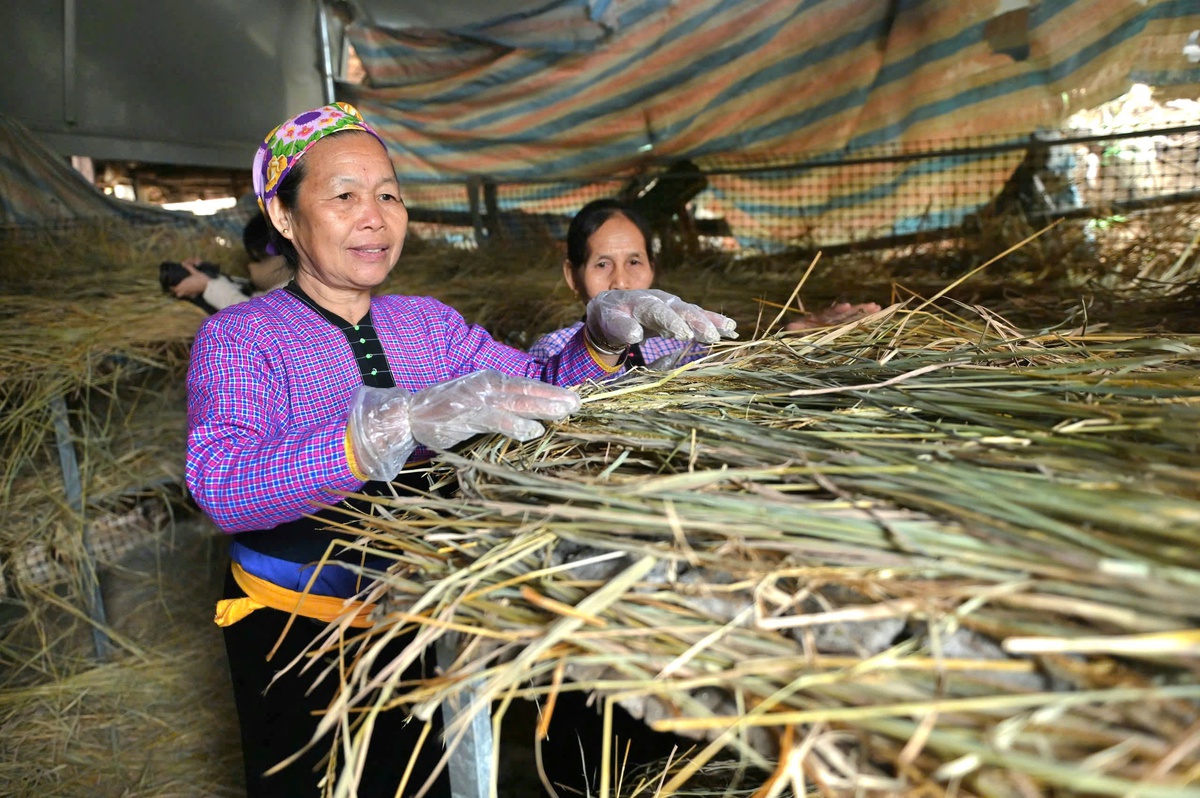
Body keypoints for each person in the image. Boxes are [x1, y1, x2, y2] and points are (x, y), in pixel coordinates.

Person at [184, 102, 737, 798]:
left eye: (389, 195)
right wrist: (386, 428)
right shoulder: (242, 336)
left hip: (422, 621)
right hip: (297, 636)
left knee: (425, 780)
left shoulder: (430, 326)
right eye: (345, 196)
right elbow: (221, 483)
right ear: (285, 217)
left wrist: (597, 341)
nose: (374, 217)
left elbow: (537, 389)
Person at [529, 199, 880, 369]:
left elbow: (737, 361)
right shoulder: (553, 350)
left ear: (653, 268)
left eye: (634, 262)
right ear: (572, 277)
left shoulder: (681, 341)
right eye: (602, 264)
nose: (620, 280)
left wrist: (790, 337)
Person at [170, 214, 291, 311]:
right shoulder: (287, 287)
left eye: (256, 260)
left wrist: (207, 285)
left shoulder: (293, 295)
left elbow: (251, 312)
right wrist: (209, 276)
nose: (250, 267)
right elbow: (254, 298)